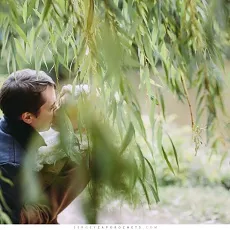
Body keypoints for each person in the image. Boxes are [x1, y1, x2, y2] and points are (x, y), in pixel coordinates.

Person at [0, 69, 90, 224]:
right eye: (52, 107)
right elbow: (14, 221)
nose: (57, 112)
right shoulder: (12, 166)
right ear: (28, 117)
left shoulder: (13, 128)